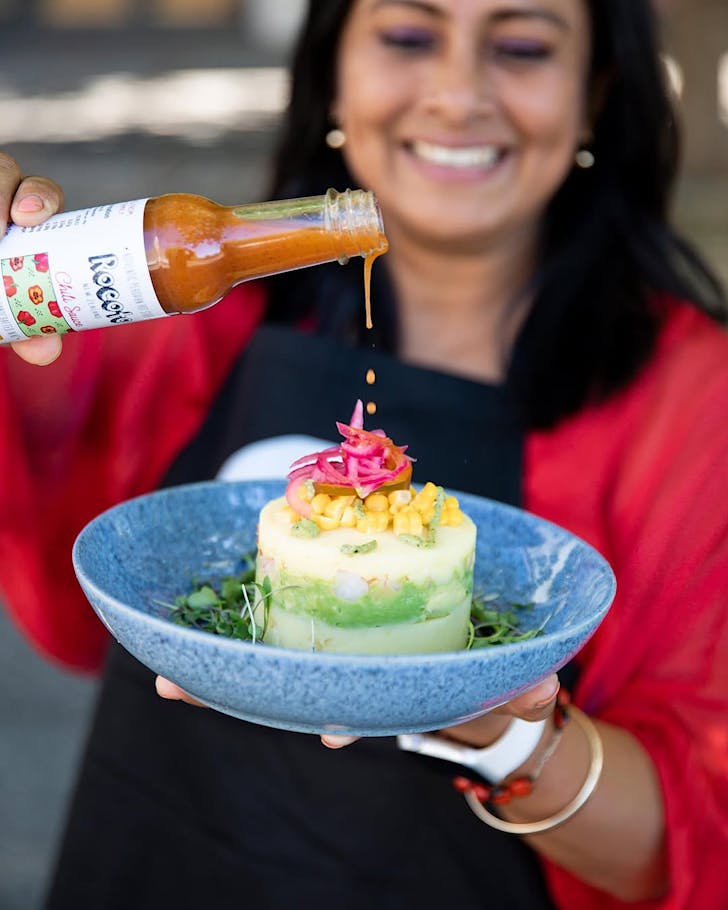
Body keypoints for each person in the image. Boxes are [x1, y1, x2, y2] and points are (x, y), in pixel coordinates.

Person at [1, 1, 727, 907]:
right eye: (409, 36)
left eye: (523, 47)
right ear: (333, 76)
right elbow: (66, 580)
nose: (458, 92)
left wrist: (497, 722)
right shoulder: (192, 309)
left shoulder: (695, 402)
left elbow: (689, 844)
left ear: (595, 98)